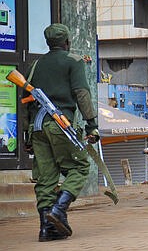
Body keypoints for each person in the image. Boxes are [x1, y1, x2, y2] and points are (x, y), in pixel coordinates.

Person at [21, 23, 100, 241]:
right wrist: (91, 124)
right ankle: (59, 209)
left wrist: (26, 135)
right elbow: (82, 93)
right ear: (67, 41)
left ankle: (46, 229)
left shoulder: (36, 65)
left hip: (37, 127)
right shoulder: (73, 61)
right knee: (80, 166)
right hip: (60, 124)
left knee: (45, 179)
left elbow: (24, 102)